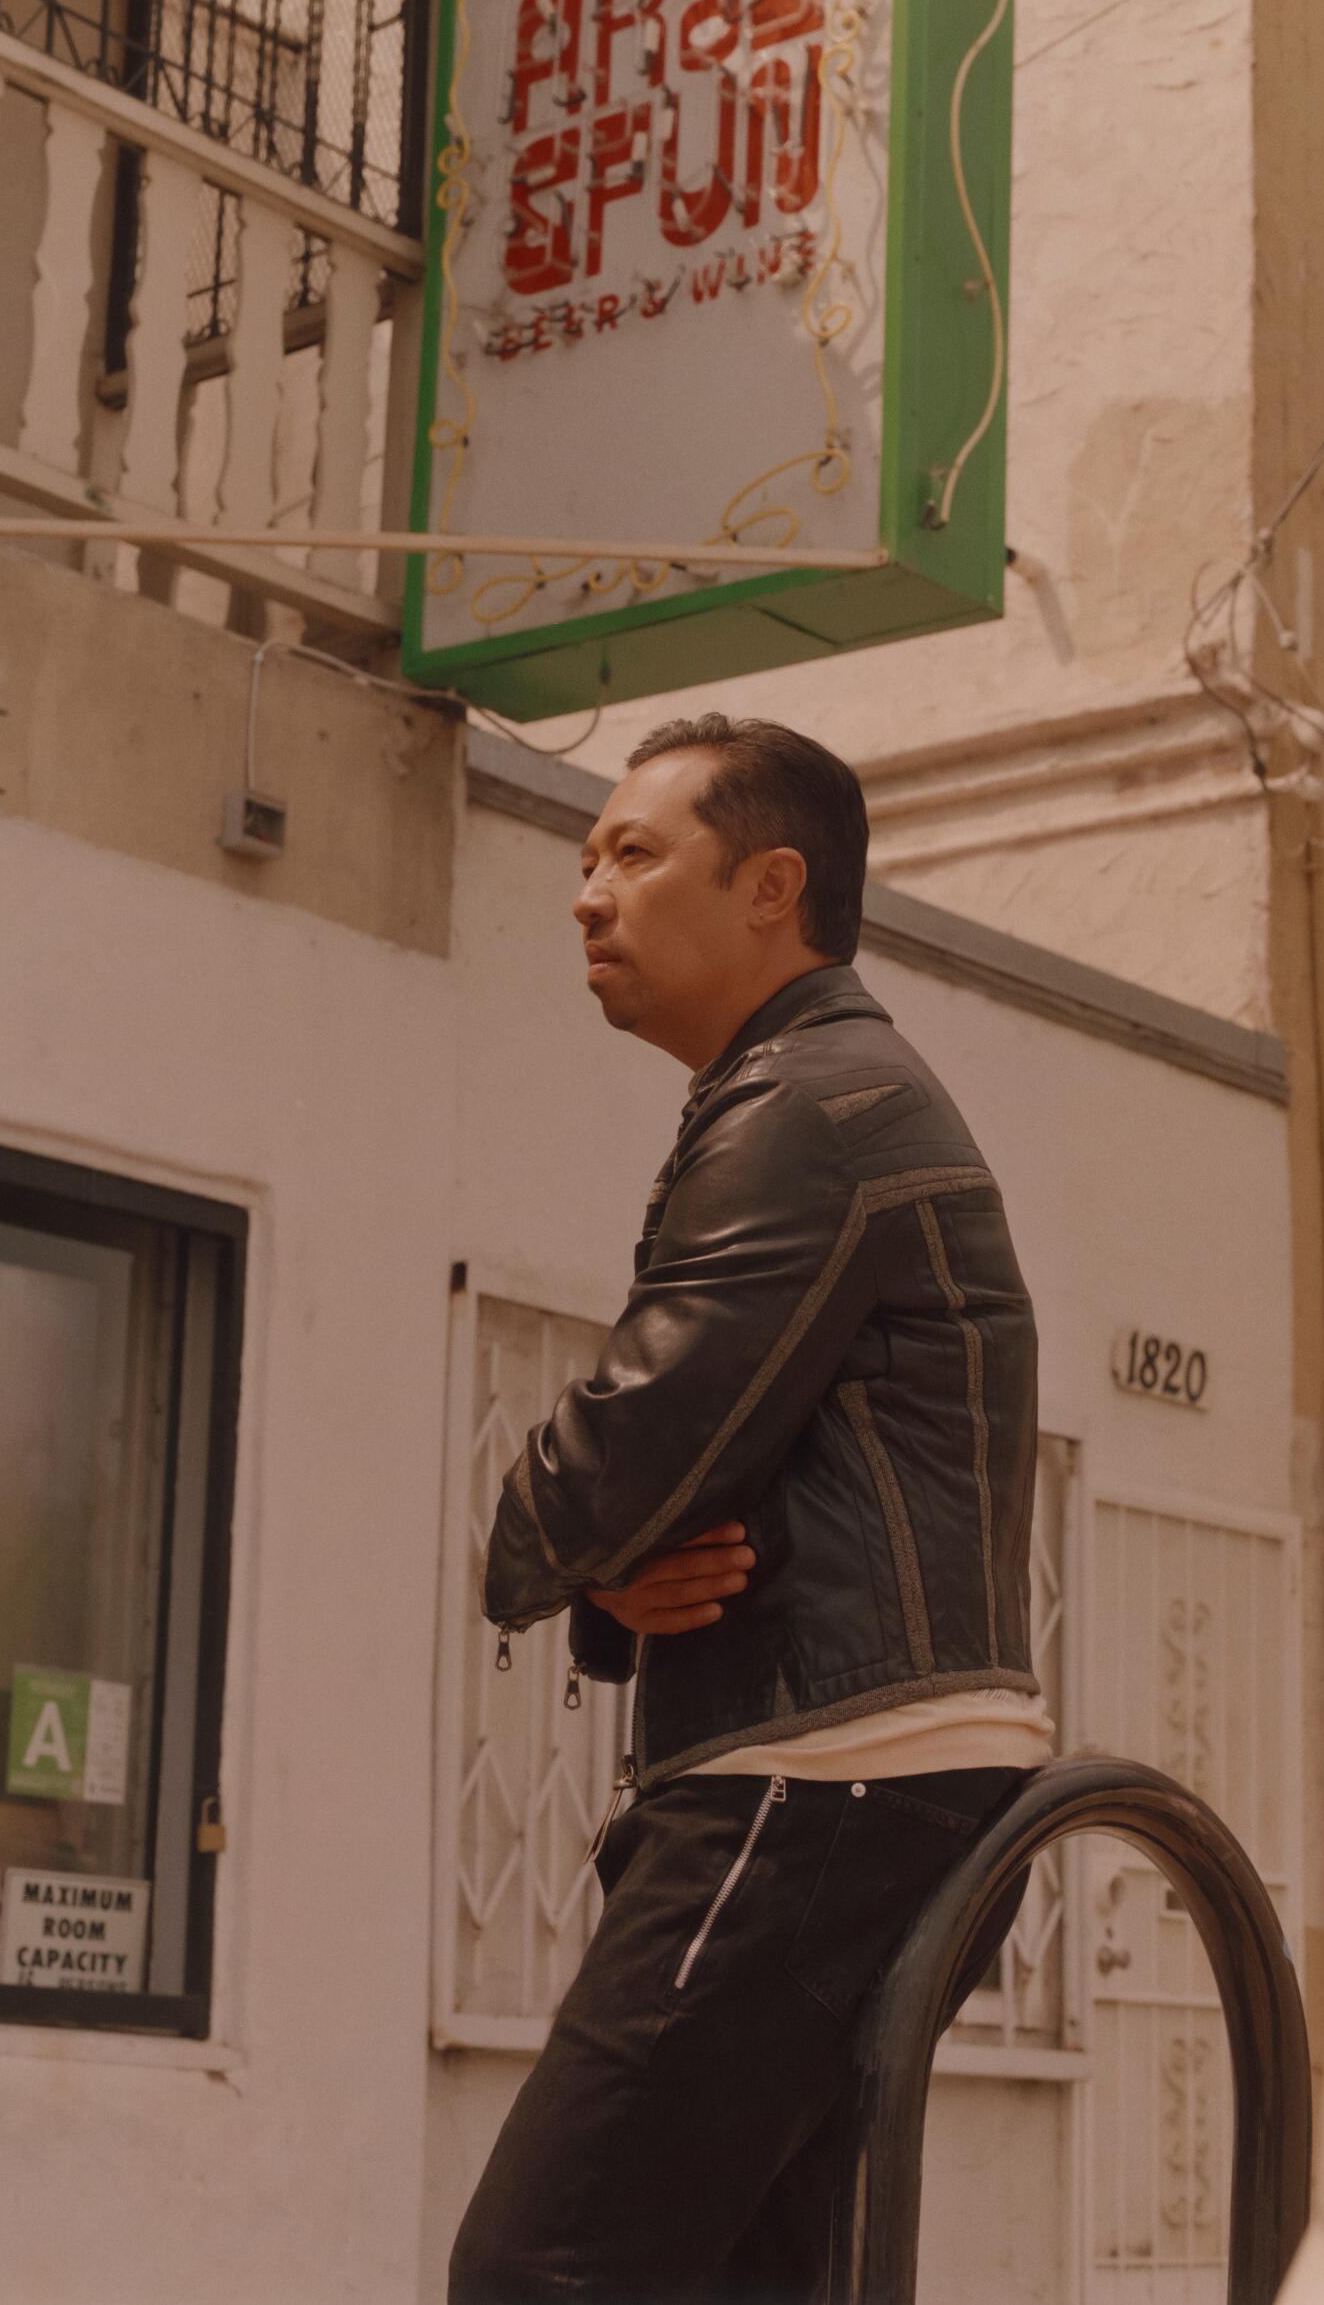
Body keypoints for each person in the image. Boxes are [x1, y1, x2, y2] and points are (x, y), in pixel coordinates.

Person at [450, 714, 1050, 2304]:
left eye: (635, 854)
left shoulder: (811, 1107)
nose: (587, 893)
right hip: (868, 1766)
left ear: (773, 886)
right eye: (585, 858)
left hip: (823, 1776)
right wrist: (612, 1585)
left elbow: (635, 1435)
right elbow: (731, 1473)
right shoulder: (817, 1093)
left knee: (541, 2271)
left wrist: (529, 1546)